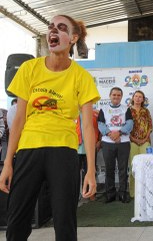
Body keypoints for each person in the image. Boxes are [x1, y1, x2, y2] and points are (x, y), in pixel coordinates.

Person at [0, 14, 100, 241]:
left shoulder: (82, 77)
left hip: (63, 151)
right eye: (51, 27)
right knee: (15, 225)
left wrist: (91, 171)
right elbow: (18, 120)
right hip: (28, 149)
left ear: (73, 38)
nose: (53, 31)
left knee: (65, 225)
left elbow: (87, 125)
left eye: (61, 28)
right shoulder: (29, 69)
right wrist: (8, 163)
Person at [97, 87, 133, 203]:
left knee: (123, 169)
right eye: (114, 95)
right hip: (108, 143)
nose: (116, 97)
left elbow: (130, 124)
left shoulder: (126, 109)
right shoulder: (103, 109)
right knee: (109, 169)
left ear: (121, 97)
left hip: (123, 142)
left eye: (118, 95)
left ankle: (123, 193)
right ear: (110, 95)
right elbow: (100, 124)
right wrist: (110, 134)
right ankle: (110, 194)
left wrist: (119, 133)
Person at [128, 90, 152, 198]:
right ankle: (133, 193)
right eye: (136, 96)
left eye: (140, 97)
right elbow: (125, 128)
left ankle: (145, 192)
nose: (138, 98)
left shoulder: (146, 111)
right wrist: (134, 139)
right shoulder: (128, 111)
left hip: (145, 142)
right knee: (133, 167)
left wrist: (144, 139)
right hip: (132, 141)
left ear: (143, 99)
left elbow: (150, 127)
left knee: (145, 167)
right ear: (133, 98)